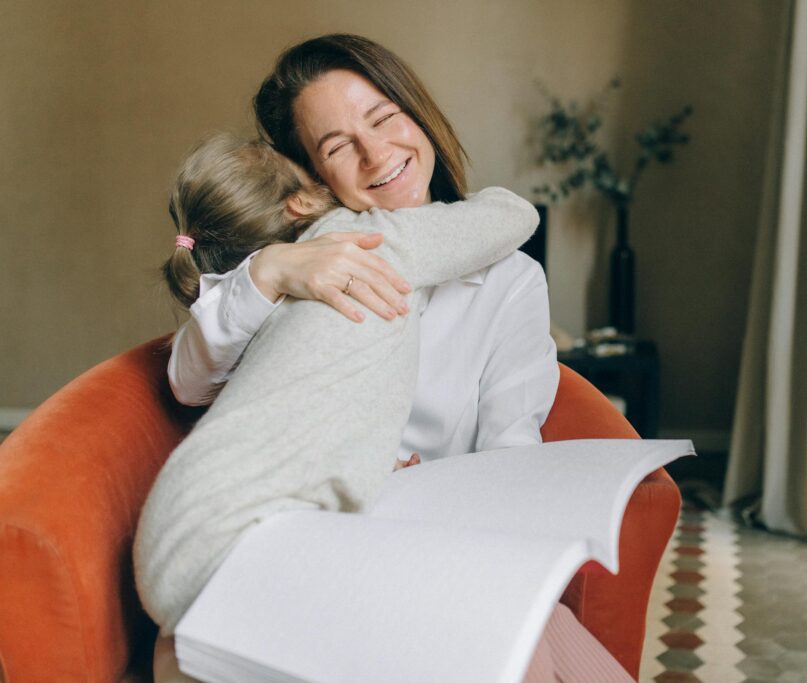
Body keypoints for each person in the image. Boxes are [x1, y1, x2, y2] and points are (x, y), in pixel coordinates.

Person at [147, 33, 633, 683]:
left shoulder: (508, 279)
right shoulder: (303, 264)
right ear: (312, 177)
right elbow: (186, 379)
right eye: (338, 145)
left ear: (417, 113)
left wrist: (411, 487)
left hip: (439, 531)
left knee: (536, 634)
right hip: (304, 541)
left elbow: (509, 452)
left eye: (382, 118)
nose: (376, 153)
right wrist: (270, 269)